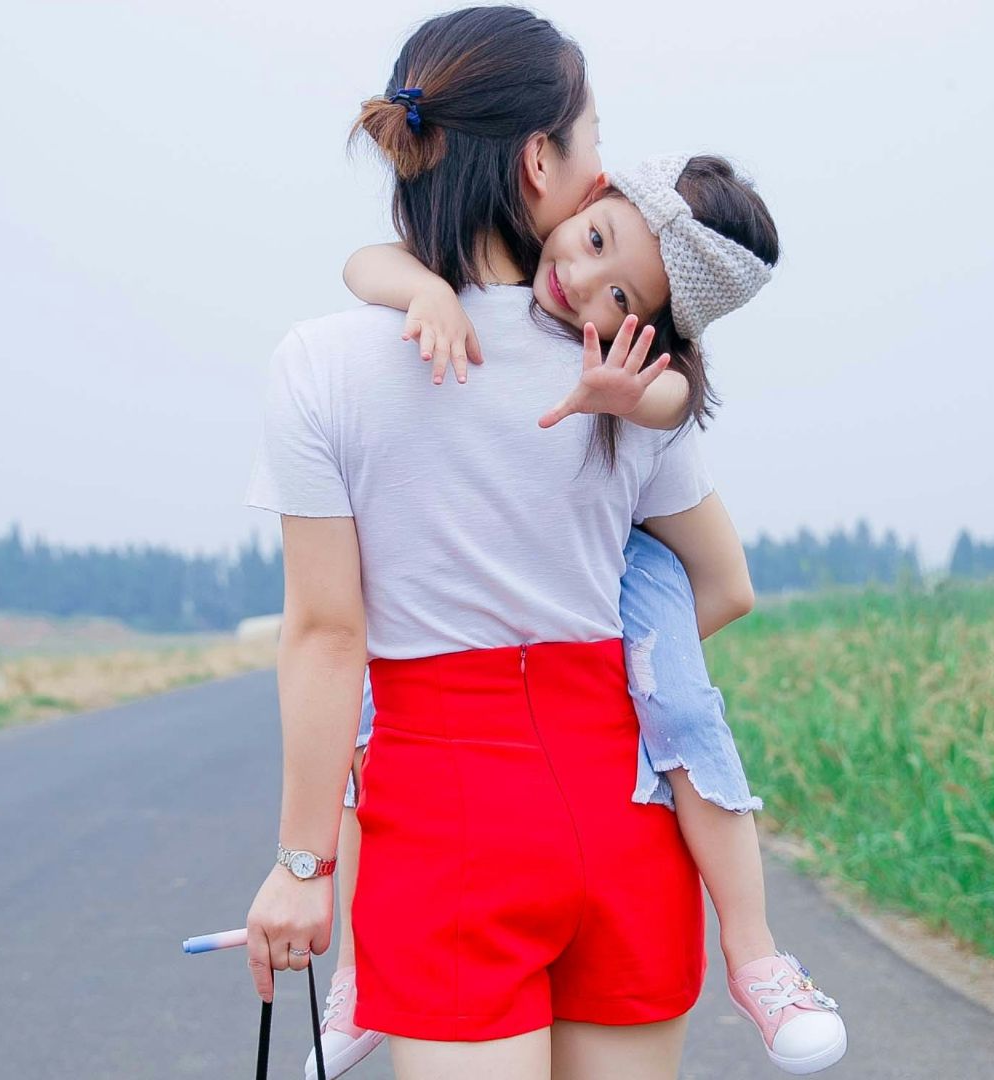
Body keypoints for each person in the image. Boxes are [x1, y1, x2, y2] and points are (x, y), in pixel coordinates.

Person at [244, 8, 749, 1078]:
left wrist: (304, 864)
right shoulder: (620, 362)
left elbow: (328, 635)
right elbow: (724, 584)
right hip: (623, 817)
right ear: (538, 161)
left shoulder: (325, 364)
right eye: (594, 136)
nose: (603, 167)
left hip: (447, 828)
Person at [314, 154, 848, 1078]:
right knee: (371, 731)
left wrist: (625, 666)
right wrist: (424, 294)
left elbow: (682, 399)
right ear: (587, 196)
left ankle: (758, 957)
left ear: (646, 328)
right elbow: (365, 264)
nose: (581, 279)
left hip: (628, 583)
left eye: (619, 297)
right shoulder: (491, 272)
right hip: (479, 738)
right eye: (593, 241)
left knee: (683, 709)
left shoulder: (636, 378)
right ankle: (359, 977)